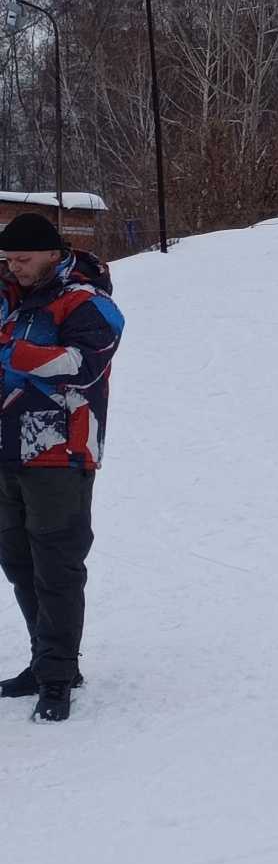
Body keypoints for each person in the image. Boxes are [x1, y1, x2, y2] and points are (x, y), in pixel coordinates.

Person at [0, 212, 124, 720]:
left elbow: (85, 365)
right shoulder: (9, 296)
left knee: (57, 569)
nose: (15, 268)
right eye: (7, 260)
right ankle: (45, 661)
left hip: (60, 452)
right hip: (6, 449)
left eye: (23, 259)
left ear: (53, 252)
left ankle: (58, 677)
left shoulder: (88, 302)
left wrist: (13, 353)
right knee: (19, 563)